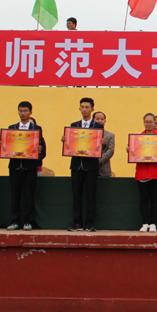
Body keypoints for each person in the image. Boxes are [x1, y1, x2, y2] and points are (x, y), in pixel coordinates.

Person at [3, 101, 46, 231]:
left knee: (29, 194)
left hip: (30, 167)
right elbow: (8, 146)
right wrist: (3, 146)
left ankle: (28, 221)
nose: (22, 113)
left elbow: (42, 149)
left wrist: (38, 151)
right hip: (15, 166)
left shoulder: (36, 129)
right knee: (15, 195)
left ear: (30, 112)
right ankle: (15, 221)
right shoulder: (12, 128)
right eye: (20, 111)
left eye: (25, 111)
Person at [62, 97, 102, 232]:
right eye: (82, 107)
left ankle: (90, 223)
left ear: (92, 109)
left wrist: (102, 143)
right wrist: (65, 141)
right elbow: (70, 144)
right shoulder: (73, 125)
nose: (84, 109)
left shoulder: (98, 127)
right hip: (76, 165)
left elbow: (99, 146)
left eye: (87, 107)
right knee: (76, 195)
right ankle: (77, 223)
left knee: (91, 195)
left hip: (91, 166)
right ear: (79, 108)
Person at [127, 113, 157, 232]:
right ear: (143, 123)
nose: (149, 124)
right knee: (143, 199)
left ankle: (153, 224)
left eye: (151, 122)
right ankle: (145, 223)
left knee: (154, 198)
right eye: (146, 122)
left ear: (155, 123)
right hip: (142, 172)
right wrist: (129, 150)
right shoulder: (138, 137)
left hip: (156, 172)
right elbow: (133, 153)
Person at [93, 111, 115, 177]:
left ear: (105, 121)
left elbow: (110, 151)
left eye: (102, 119)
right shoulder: (88, 134)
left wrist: (99, 160)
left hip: (104, 169)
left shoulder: (110, 135)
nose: (100, 121)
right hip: (88, 168)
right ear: (93, 120)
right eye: (97, 119)